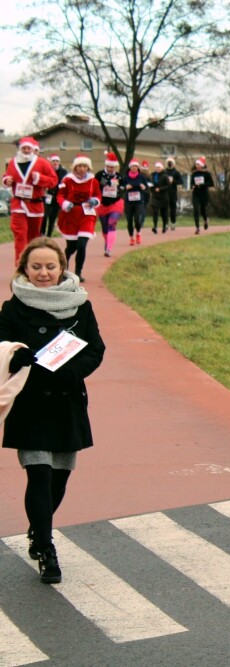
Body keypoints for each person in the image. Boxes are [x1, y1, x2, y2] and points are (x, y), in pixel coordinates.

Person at [0, 237, 106, 584]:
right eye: (36, 266)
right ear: (24, 269)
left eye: (50, 266)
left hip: (67, 400)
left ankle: (36, 528)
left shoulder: (81, 306)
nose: (43, 273)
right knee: (40, 474)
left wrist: (71, 372)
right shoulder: (11, 308)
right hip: (30, 403)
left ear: (62, 267)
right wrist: (14, 354)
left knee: (59, 477)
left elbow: (95, 349)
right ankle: (46, 549)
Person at [3, 137, 59, 265]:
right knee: (20, 235)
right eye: (24, 148)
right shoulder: (13, 162)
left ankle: (32, 263)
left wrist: (39, 178)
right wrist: (7, 180)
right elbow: (7, 175)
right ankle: (20, 266)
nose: (26, 150)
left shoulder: (42, 163)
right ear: (20, 149)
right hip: (18, 203)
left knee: (33, 237)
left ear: (33, 150)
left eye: (29, 148)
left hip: (35, 204)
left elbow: (53, 181)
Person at [57, 154, 102, 283]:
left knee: (82, 244)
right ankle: (63, 270)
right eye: (80, 166)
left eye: (85, 166)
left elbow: (98, 195)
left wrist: (95, 200)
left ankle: (78, 273)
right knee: (71, 247)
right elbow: (60, 196)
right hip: (71, 214)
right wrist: (65, 204)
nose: (82, 169)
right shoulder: (67, 180)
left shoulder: (94, 181)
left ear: (88, 168)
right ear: (75, 167)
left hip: (87, 214)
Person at [95, 152, 123, 257]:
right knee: (105, 228)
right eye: (109, 167)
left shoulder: (119, 176)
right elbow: (93, 186)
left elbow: (123, 187)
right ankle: (107, 243)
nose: (110, 169)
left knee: (112, 224)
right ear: (106, 166)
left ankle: (108, 248)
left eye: (112, 167)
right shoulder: (99, 175)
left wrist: (120, 188)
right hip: (103, 204)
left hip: (115, 203)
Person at [121, 158, 147, 245]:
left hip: (138, 201)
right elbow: (121, 188)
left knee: (137, 219)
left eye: (136, 166)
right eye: (133, 166)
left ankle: (138, 233)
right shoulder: (126, 178)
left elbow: (146, 187)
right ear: (130, 167)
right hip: (129, 202)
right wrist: (125, 187)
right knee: (129, 220)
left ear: (138, 168)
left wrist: (143, 187)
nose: (134, 167)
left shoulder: (141, 177)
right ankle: (131, 238)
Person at [44, 155, 67, 237]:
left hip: (57, 197)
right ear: (50, 162)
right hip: (48, 195)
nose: (55, 162)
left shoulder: (63, 172)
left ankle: (49, 235)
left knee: (52, 217)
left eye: (57, 161)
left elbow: (66, 183)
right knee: (44, 216)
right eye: (53, 161)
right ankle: (42, 233)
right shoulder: (47, 171)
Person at [190, 157, 214, 234]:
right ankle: (197, 228)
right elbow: (191, 183)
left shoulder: (206, 174)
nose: (197, 166)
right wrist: (192, 186)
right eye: (196, 164)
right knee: (196, 210)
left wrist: (202, 184)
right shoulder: (194, 174)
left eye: (198, 164)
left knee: (202, 210)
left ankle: (206, 219)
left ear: (202, 165)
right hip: (196, 194)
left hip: (204, 194)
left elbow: (211, 184)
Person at [148, 161, 170, 234]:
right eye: (156, 167)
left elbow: (168, 186)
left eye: (159, 167)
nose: (157, 169)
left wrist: (160, 189)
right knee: (155, 212)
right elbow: (150, 184)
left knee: (164, 213)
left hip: (163, 197)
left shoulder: (165, 176)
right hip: (155, 197)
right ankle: (155, 226)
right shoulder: (153, 175)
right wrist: (152, 189)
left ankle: (164, 226)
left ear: (161, 168)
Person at [162, 157, 183, 231]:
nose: (169, 164)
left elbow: (181, 181)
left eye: (171, 162)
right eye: (168, 162)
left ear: (173, 164)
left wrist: (174, 181)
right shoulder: (164, 172)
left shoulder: (176, 172)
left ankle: (173, 222)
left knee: (173, 208)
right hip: (164, 193)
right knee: (165, 209)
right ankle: (166, 223)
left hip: (173, 193)